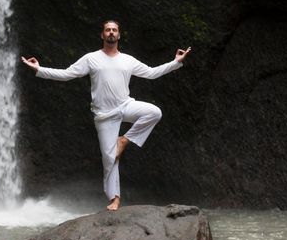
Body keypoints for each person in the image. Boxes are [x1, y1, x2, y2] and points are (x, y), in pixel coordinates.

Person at [21, 20, 190, 210]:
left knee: (154, 112)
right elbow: (67, 74)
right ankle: (114, 199)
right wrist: (39, 69)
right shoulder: (91, 58)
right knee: (109, 158)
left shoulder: (128, 60)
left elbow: (151, 73)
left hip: (125, 105)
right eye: (108, 30)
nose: (111, 32)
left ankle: (124, 140)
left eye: (114, 30)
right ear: (102, 35)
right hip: (104, 115)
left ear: (119, 35)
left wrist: (176, 63)